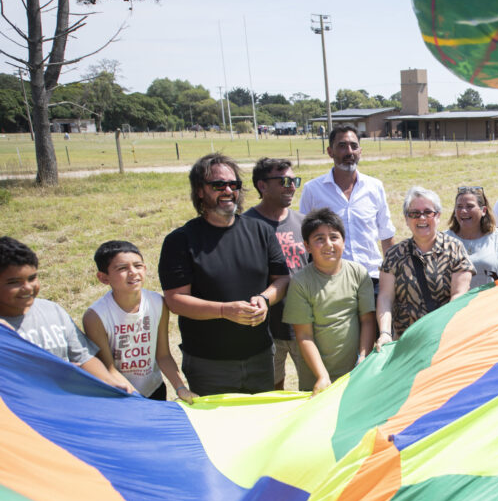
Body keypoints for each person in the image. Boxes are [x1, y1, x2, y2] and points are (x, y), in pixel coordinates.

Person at [159, 154, 290, 396]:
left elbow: (281, 279)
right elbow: (175, 300)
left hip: (260, 358)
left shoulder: (260, 231)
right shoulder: (180, 241)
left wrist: (265, 298)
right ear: (200, 191)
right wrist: (224, 310)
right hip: (209, 364)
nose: (228, 190)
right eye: (218, 185)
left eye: (233, 184)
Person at [0, 236, 132, 392]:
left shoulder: (52, 310)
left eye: (32, 278)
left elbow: (84, 357)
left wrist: (108, 382)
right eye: (14, 282)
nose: (27, 287)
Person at [83, 241, 197, 403]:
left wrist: (180, 388)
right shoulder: (95, 316)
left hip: (154, 389)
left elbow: (163, 355)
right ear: (103, 277)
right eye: (122, 268)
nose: (133, 272)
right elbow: (109, 369)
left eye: (138, 266)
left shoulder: (158, 303)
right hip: (120, 395)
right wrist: (139, 400)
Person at [282, 209, 376, 395]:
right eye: (319, 239)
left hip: (355, 374)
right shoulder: (300, 282)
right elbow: (304, 335)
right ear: (307, 246)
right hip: (316, 379)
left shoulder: (359, 273)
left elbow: (367, 320)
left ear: (344, 241)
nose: (328, 244)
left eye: (334, 237)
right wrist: (322, 376)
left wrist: (363, 358)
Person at [299, 125, 395, 296]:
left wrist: (392, 275)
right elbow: (303, 239)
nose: (349, 151)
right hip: (329, 280)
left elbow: (386, 236)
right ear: (330, 151)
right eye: (342, 146)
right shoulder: (313, 190)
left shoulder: (374, 187)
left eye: (354, 146)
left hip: (371, 277)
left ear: (360, 151)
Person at [376, 187, 474, 346]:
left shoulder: (455, 249)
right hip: (407, 343)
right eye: (414, 213)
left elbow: (459, 295)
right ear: (406, 219)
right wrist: (385, 333)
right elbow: (385, 297)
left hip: (445, 340)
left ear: (438, 216)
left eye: (428, 212)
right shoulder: (394, 255)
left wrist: (439, 332)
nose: (421, 218)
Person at [243, 158, 308, 390]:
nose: (291, 187)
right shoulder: (245, 225)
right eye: (284, 181)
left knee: (312, 388)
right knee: (271, 390)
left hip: (302, 324)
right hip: (266, 327)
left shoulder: (303, 223)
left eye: (294, 181)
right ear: (262, 185)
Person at [446, 186, 498, 288]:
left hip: (491, 297)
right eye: (459, 206)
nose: (463, 211)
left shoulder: (497, 237)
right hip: (456, 298)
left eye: (469, 206)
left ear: (483, 210)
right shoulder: (444, 240)